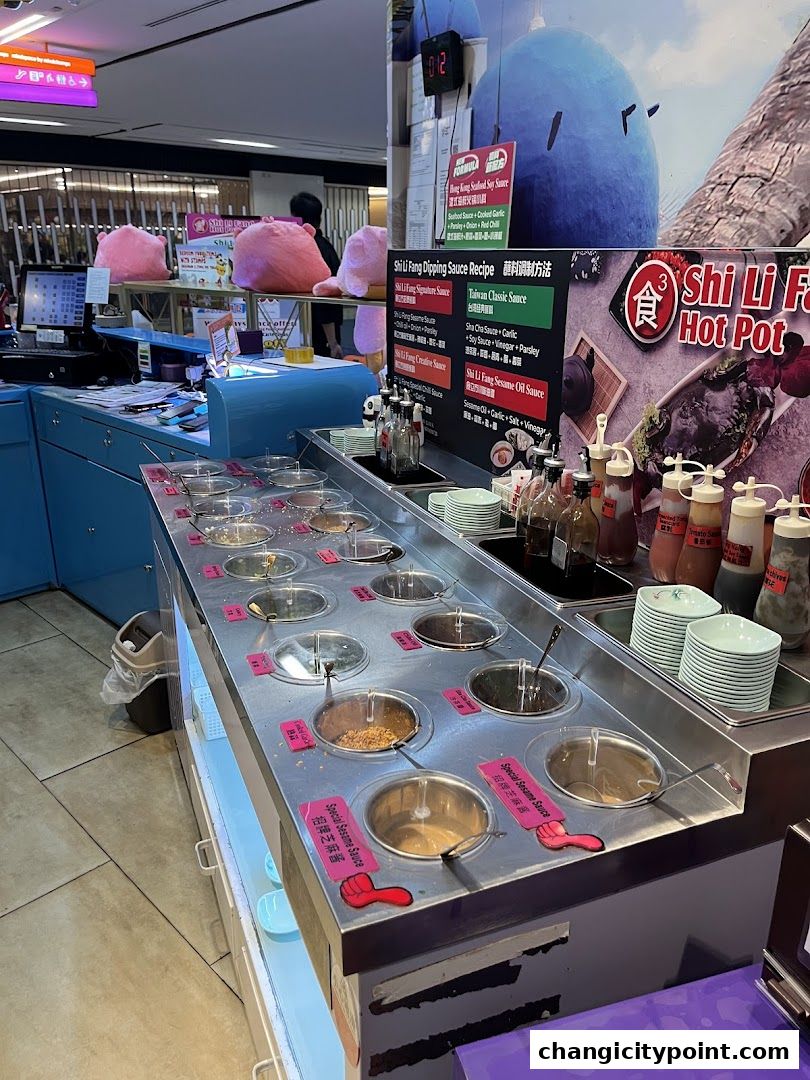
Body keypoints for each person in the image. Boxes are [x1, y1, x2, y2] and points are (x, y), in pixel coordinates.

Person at [290, 192, 344, 358]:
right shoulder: (325, 247)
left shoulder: (304, 249)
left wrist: (333, 343)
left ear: (295, 218)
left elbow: (325, 301)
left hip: (316, 334)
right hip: (321, 331)